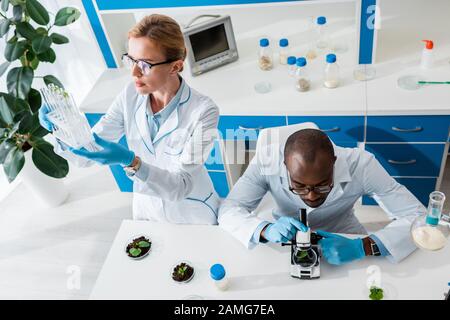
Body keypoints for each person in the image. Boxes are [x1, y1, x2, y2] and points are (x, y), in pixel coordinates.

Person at [39, 14, 220, 224]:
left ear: (175, 66)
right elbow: (86, 154)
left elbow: (181, 186)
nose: (134, 72)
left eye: (144, 64)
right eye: (131, 60)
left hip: (191, 212)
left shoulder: (204, 111)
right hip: (148, 210)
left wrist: (132, 162)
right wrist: (61, 130)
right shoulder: (130, 95)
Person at [218, 125, 426, 264]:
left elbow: (420, 218)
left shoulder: (361, 165)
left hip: (343, 232)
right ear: (285, 167)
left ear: (334, 164)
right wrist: (264, 229)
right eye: (299, 186)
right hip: (287, 234)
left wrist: (362, 246)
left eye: (322, 185)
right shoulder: (266, 160)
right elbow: (228, 209)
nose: (310, 196)